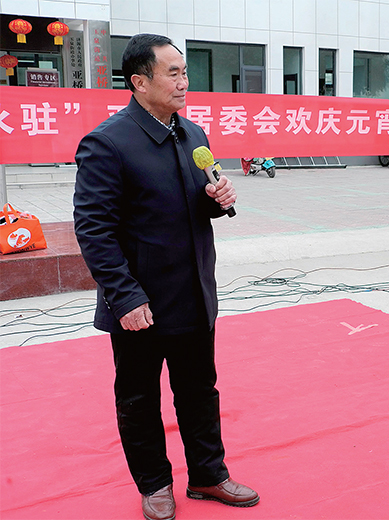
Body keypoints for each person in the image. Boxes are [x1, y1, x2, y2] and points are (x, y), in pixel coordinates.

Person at [73, 34, 259, 520]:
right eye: (172, 73)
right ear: (139, 82)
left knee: (200, 390)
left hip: (194, 291)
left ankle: (208, 474)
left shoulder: (193, 134)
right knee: (139, 398)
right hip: (141, 303)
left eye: (184, 72)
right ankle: (154, 483)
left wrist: (216, 200)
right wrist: (124, 297)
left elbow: (194, 202)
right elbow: (93, 229)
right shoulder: (107, 143)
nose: (183, 82)